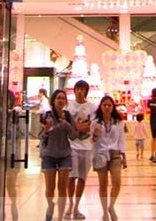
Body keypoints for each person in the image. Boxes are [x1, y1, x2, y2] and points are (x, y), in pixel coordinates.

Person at [40, 89, 78, 221]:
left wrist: (67, 125)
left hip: (65, 155)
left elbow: (74, 136)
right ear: (53, 101)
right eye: (58, 98)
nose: (61, 100)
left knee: (62, 187)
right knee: (50, 189)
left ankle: (60, 217)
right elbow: (41, 137)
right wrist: (46, 130)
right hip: (49, 155)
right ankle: (50, 205)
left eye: (63, 98)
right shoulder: (47, 116)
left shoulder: (68, 116)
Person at [91, 95, 127, 221]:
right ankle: (104, 211)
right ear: (100, 107)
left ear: (113, 107)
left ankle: (111, 206)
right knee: (103, 184)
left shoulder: (118, 122)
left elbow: (122, 139)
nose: (106, 107)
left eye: (109, 105)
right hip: (100, 154)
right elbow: (92, 141)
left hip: (115, 154)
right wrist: (95, 134)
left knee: (117, 182)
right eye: (104, 105)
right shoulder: (95, 122)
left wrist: (124, 156)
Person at [65, 80, 96, 220]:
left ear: (86, 91)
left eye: (83, 89)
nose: (80, 91)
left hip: (87, 147)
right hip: (72, 147)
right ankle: (70, 204)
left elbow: (91, 125)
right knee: (71, 177)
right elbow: (70, 126)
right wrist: (78, 126)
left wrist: (78, 126)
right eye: (78, 88)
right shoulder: (69, 107)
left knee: (82, 178)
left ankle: (77, 206)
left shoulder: (92, 107)